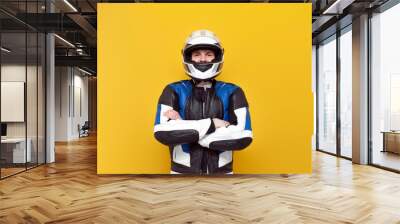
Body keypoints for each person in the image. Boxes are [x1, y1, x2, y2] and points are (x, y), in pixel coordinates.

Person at [153, 30, 253, 174]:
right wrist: (213, 124)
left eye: (209, 54)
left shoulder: (233, 91)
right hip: (180, 176)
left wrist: (184, 127)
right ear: (189, 57)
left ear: (217, 56)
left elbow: (243, 136)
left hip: (222, 176)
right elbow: (162, 132)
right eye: (197, 54)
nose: (203, 59)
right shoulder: (173, 90)